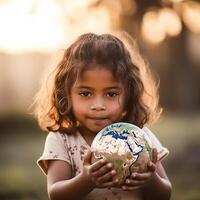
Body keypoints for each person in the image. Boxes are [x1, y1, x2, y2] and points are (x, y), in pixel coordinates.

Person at [34, 32, 172, 200]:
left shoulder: (139, 137)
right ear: (67, 95)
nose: (98, 106)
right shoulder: (62, 140)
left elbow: (165, 194)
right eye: (85, 94)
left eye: (111, 94)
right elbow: (56, 193)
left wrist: (151, 181)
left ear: (129, 95)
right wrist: (86, 180)